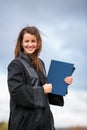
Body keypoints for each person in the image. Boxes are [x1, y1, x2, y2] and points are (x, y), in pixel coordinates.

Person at [7, 26, 73, 130]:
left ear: (38, 43)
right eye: (26, 41)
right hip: (25, 123)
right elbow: (16, 92)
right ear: (21, 43)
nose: (30, 44)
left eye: (33, 41)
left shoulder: (41, 63)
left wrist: (63, 83)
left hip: (44, 121)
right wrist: (42, 91)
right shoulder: (15, 65)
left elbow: (48, 93)